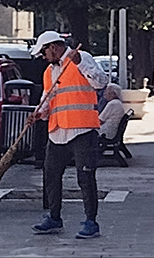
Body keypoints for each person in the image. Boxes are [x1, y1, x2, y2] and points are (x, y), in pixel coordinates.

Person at [27, 30, 109, 239]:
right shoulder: (49, 72)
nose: (43, 57)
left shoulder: (82, 58)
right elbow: (48, 99)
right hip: (57, 132)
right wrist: (39, 113)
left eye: (44, 52)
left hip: (82, 129)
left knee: (85, 176)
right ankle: (54, 218)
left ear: (53, 48)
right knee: (51, 175)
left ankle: (91, 222)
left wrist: (80, 62)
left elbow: (101, 82)